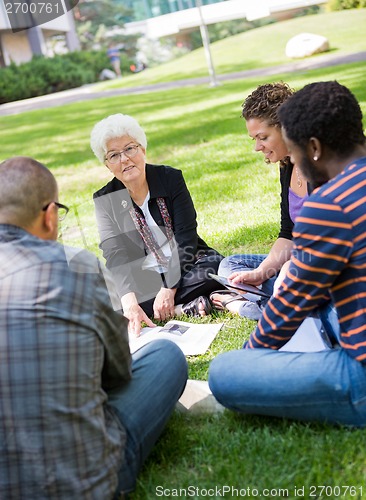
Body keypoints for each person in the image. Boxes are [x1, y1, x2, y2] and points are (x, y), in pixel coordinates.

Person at [0, 156, 188, 498]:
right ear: (50, 215)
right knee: (166, 355)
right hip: (86, 478)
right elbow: (118, 374)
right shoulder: (77, 266)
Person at [209, 81, 366, 427]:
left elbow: (288, 309)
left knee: (224, 372)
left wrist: (251, 363)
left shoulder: (328, 204)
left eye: (293, 152)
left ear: (312, 147)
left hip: (359, 371)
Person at [90, 113, 224, 336]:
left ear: (142, 149)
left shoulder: (170, 178)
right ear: (107, 165)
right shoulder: (105, 199)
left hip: (186, 266)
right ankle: (184, 309)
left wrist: (168, 288)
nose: (124, 159)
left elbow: (186, 237)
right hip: (144, 277)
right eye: (114, 155)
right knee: (105, 301)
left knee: (215, 266)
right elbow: (115, 254)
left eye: (130, 149)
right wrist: (130, 302)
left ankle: (166, 306)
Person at [210, 82, 310, 319]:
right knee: (231, 267)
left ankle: (247, 306)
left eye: (262, 137)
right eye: (254, 139)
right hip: (300, 259)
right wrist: (262, 272)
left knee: (287, 283)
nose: (257, 147)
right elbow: (289, 233)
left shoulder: (323, 164)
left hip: (325, 263)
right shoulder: (287, 164)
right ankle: (281, 301)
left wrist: (289, 268)